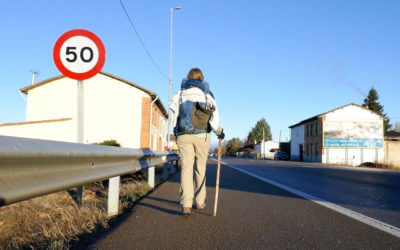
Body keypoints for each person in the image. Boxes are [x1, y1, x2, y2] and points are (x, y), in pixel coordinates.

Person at [169, 68, 225, 215]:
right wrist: (219, 132)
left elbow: (174, 117)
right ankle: (199, 202)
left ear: (188, 79)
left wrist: (175, 132)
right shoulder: (207, 95)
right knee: (200, 169)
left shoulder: (180, 94)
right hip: (202, 137)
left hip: (184, 135)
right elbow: (214, 119)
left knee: (186, 169)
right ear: (201, 79)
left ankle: (186, 205)